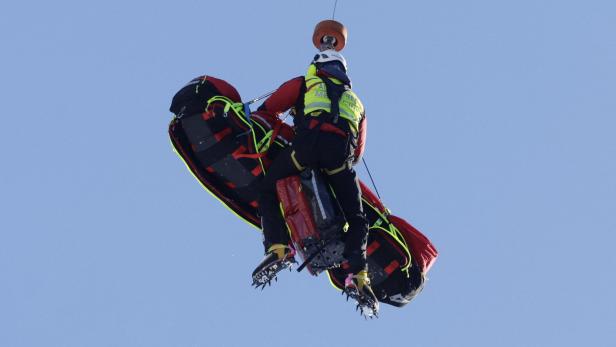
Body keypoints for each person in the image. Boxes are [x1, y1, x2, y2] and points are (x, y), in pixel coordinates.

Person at [251, 49, 377, 305]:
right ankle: (359, 275)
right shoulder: (357, 103)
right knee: (357, 217)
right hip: (339, 160)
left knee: (267, 189)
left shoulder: (305, 82)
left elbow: (267, 110)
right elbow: (358, 154)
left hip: (306, 150)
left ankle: (279, 247)